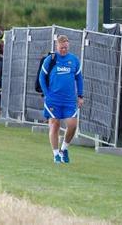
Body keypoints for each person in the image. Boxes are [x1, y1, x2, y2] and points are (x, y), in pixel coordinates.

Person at [39, 35, 84, 164]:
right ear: (56, 46)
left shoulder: (74, 60)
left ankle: (64, 149)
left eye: (65, 47)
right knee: (54, 125)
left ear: (68, 45)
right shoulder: (50, 60)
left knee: (72, 125)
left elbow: (79, 78)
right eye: (61, 47)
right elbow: (42, 78)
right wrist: (47, 94)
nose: (63, 50)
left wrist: (80, 96)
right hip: (53, 100)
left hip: (69, 100)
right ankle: (56, 154)